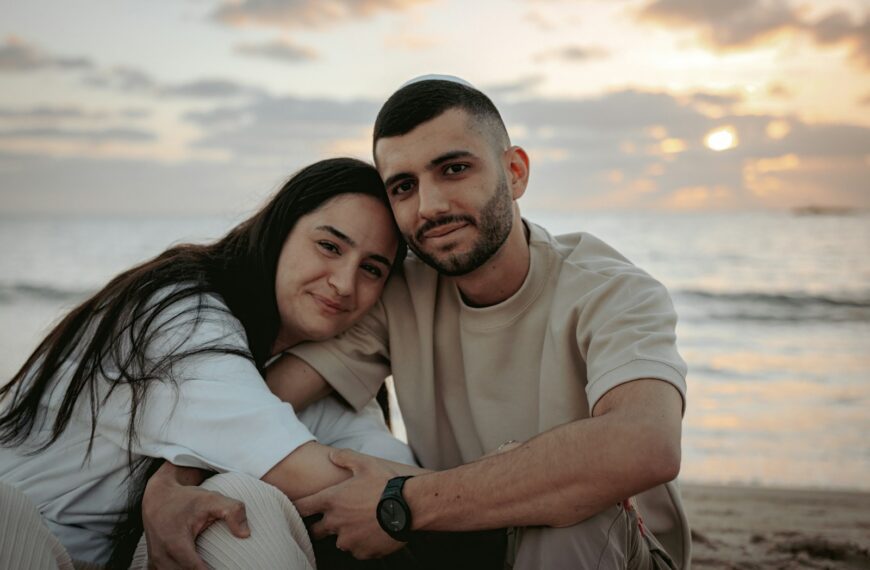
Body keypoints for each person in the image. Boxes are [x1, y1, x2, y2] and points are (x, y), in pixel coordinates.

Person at [149, 76, 691, 569]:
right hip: (461, 539)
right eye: (404, 187)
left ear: (515, 171)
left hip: (609, 550)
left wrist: (403, 502)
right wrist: (172, 482)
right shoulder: (401, 290)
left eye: (454, 169)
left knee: (571, 512)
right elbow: (269, 397)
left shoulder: (612, 290)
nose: (429, 206)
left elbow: (645, 443)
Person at [0, 158, 421, 570]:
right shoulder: (183, 316)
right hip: (28, 540)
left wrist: (450, 498)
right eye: (329, 246)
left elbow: (389, 467)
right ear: (280, 230)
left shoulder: (313, 371)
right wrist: (467, 497)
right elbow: (305, 470)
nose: (344, 283)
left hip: (123, 558)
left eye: (371, 269)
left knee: (244, 505)